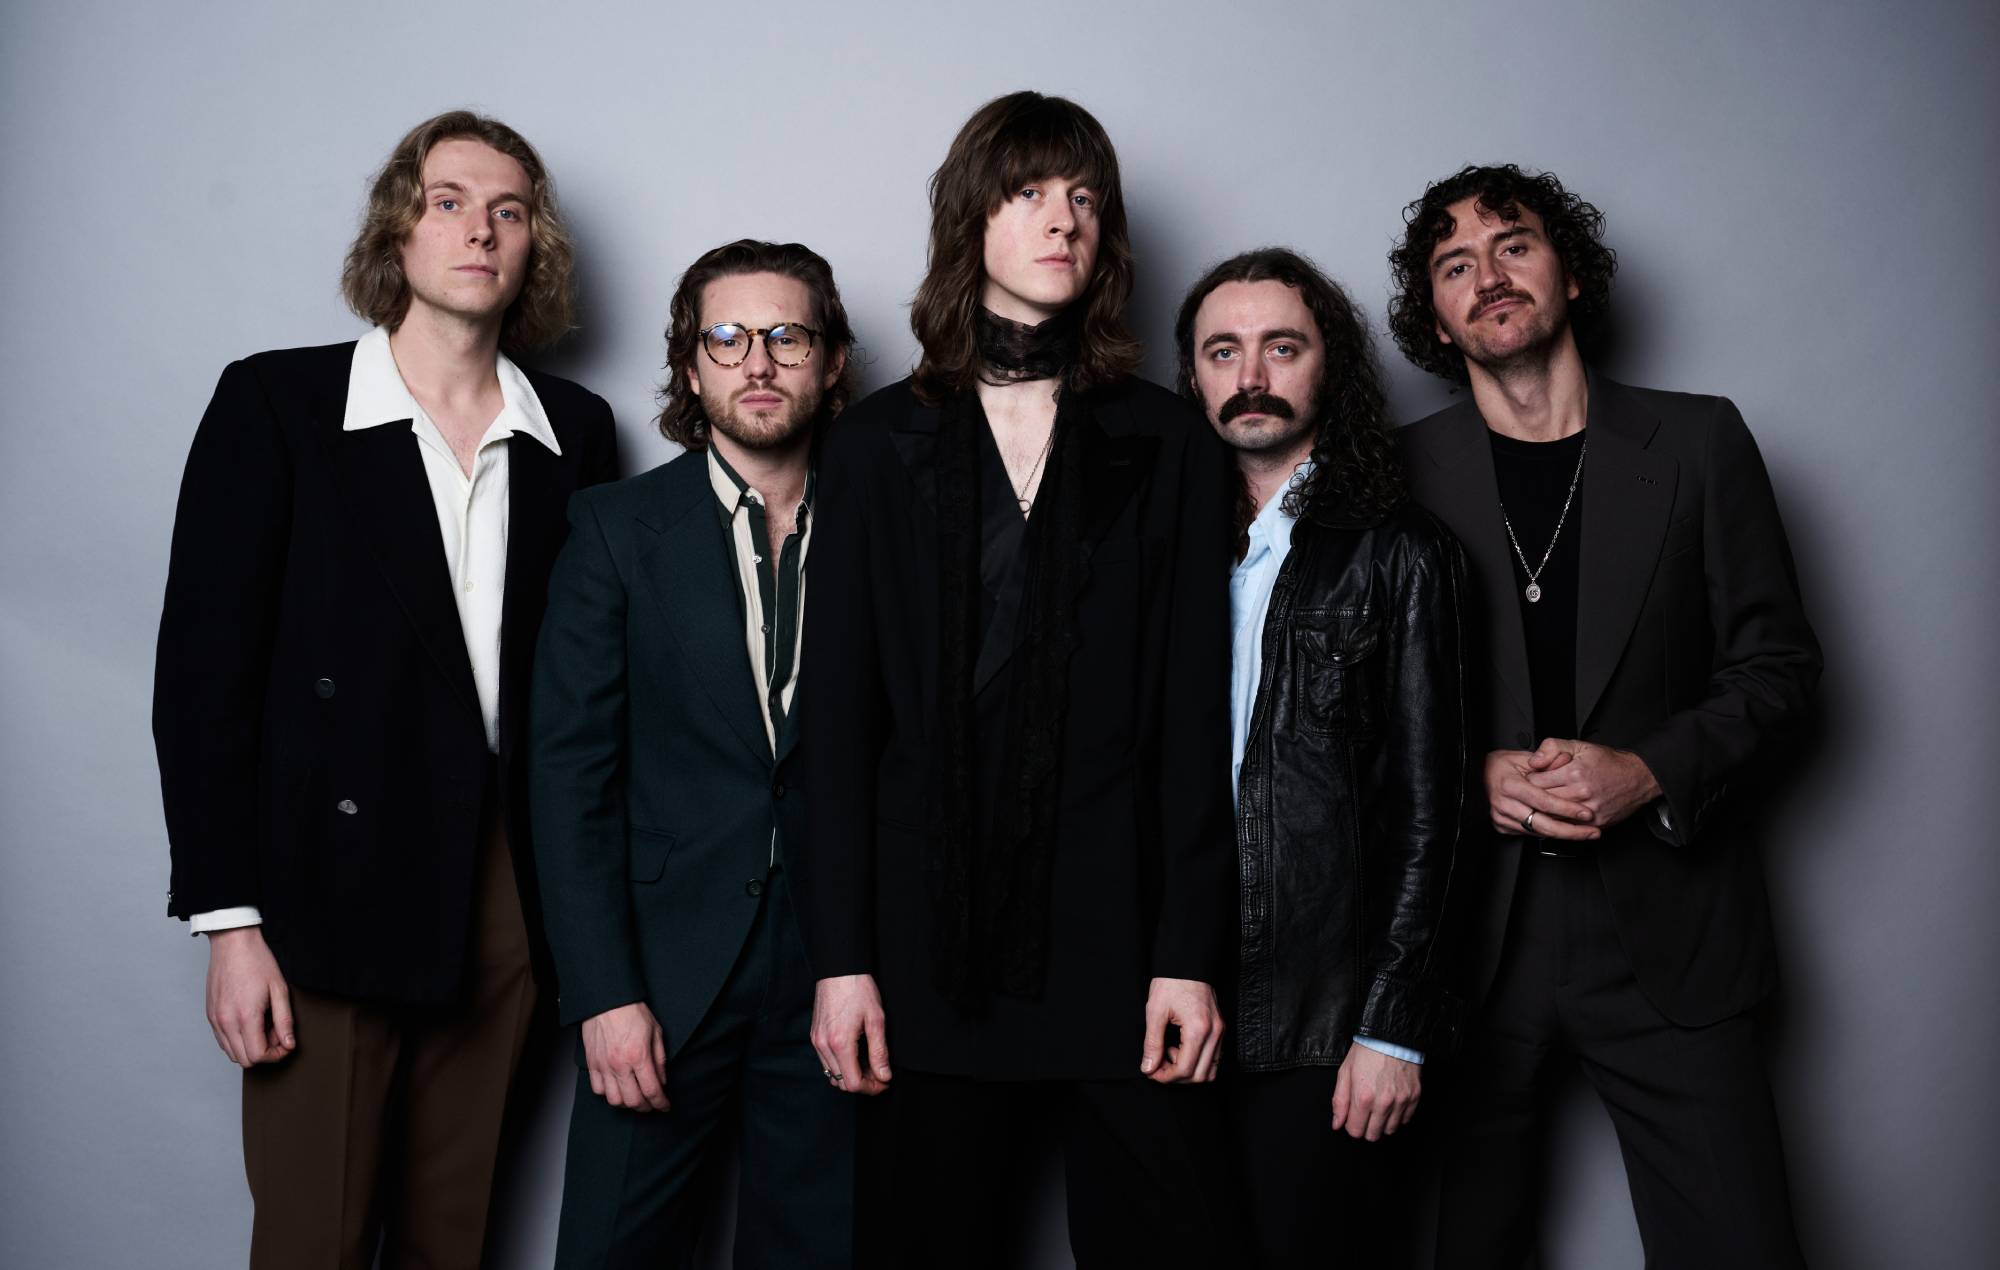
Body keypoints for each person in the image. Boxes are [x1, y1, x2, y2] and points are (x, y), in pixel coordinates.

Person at [153, 110, 618, 1267]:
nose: (480, 229)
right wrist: (229, 922)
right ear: (397, 231)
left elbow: (588, 685)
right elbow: (202, 677)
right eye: (449, 200)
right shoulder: (278, 405)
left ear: (535, 248)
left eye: (509, 210)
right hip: (327, 877)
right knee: (312, 1236)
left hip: (509, 881)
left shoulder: (575, 429)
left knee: (450, 1238)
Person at [796, 91, 1237, 1267]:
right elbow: (834, 724)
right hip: (918, 949)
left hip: (1119, 937)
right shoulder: (874, 443)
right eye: (1031, 191)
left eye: (1085, 197)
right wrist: (841, 958)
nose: (1063, 220)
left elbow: (1194, 720)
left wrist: (1187, 949)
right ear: (970, 220)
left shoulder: (1167, 439)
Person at [1388, 163, 1818, 1268]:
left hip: (1672, 930)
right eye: (1452, 265)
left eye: (1512, 245)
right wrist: (1466, 770)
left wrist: (1651, 769)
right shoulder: (1394, 477)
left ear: (1567, 273)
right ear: (1433, 320)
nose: (1486, 275)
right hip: (1471, 945)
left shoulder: (1698, 442)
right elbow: (1350, 707)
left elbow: (1778, 670)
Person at [531, 239, 857, 1267]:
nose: (756, 361)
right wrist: (602, 991)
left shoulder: (889, 526)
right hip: (660, 972)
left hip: (838, 971)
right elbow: (568, 773)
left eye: (786, 336)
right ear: (689, 365)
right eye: (726, 337)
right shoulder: (616, 529)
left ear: (831, 361)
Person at [1176, 246, 1471, 1267]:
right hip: (1169, 1007)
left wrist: (1391, 1026)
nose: (1249, 373)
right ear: (1193, 377)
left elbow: (1434, 812)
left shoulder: (1400, 551)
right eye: (1222, 351)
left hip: (1323, 1017)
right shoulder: (1154, 550)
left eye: (1280, 346)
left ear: (1326, 369)